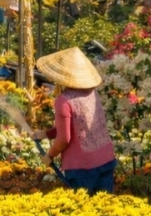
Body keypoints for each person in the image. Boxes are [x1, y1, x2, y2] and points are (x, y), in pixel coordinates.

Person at [31, 47, 116, 196]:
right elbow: (76, 125)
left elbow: (64, 139)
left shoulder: (64, 100)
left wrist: (49, 155)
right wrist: (44, 134)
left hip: (83, 168)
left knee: (83, 212)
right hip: (106, 160)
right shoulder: (91, 92)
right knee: (103, 210)